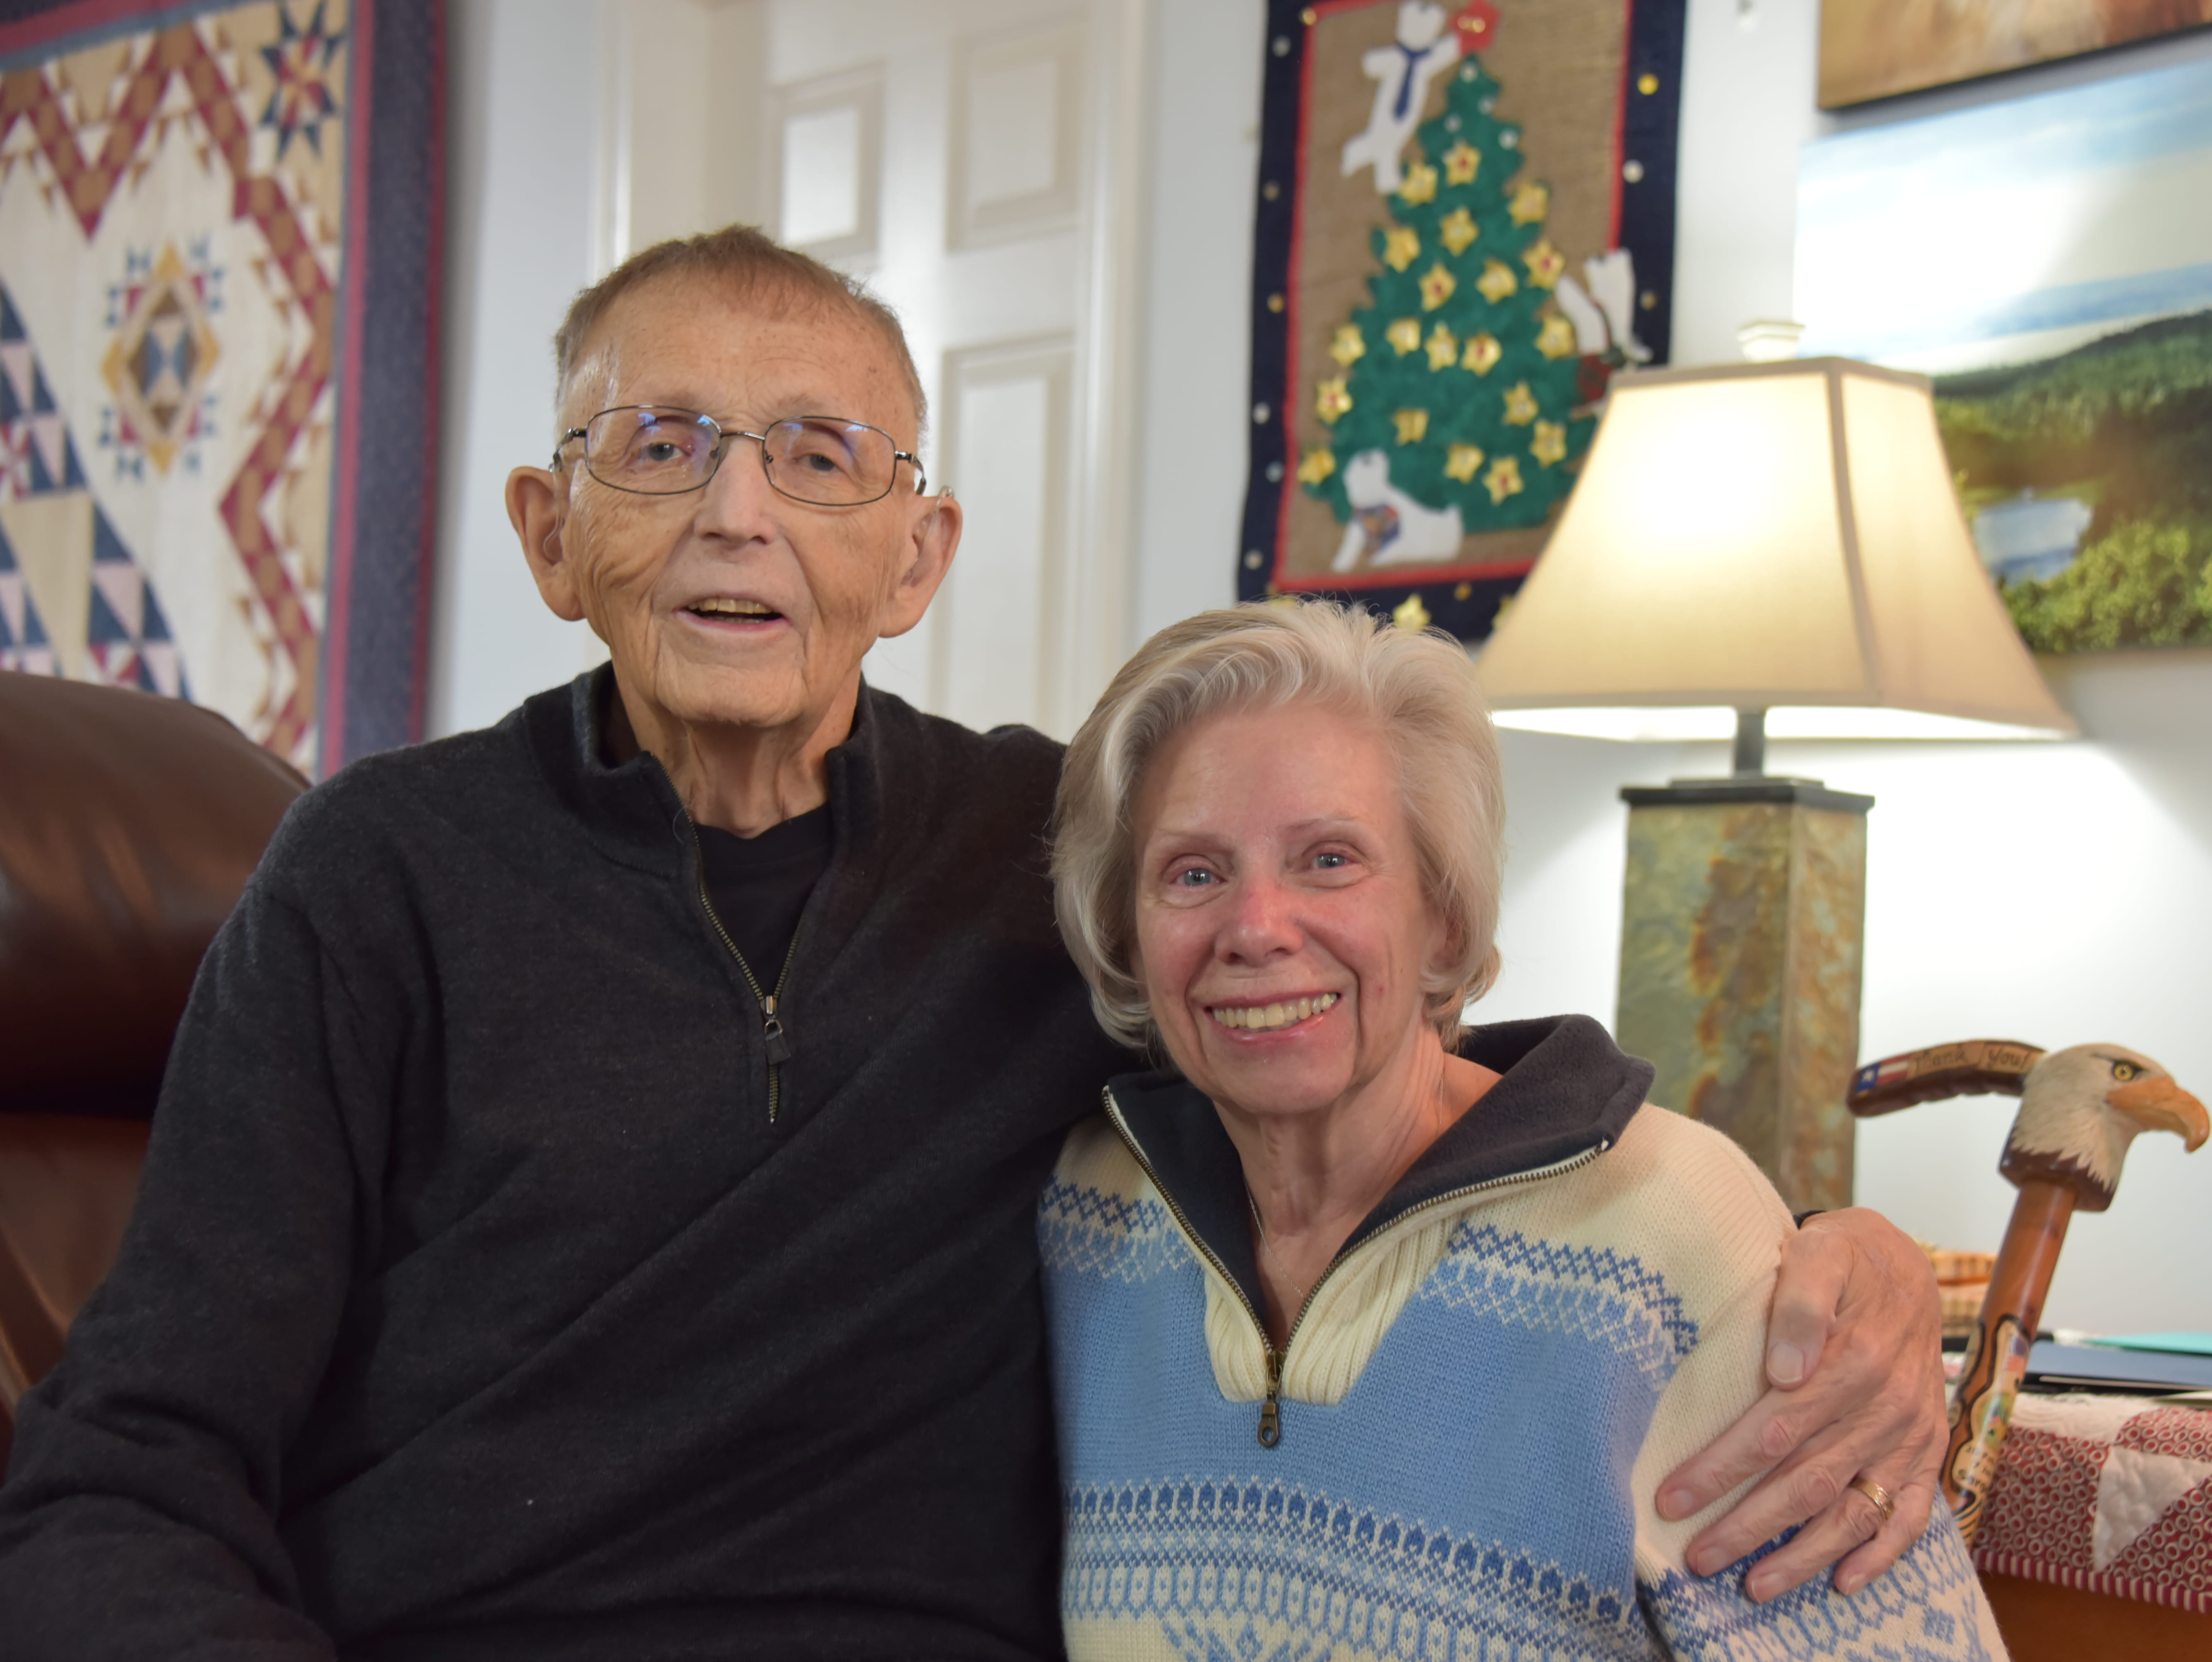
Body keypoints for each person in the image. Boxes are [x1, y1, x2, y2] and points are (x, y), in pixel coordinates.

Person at [0, 229, 1941, 1660]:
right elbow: (126, 1454)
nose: (737, 513)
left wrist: (1826, 1258)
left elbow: (1345, 1024)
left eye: (819, 456)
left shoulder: (1045, 853)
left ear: (912, 556)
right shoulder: (374, 875)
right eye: (661, 445)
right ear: (549, 527)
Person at [1040, 600, 2001, 1659]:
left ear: (1443, 914)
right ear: (1124, 931)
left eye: (1328, 860)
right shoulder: (1083, 1215)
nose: (1256, 928)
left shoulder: (1672, 1236)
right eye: (1193, 873)